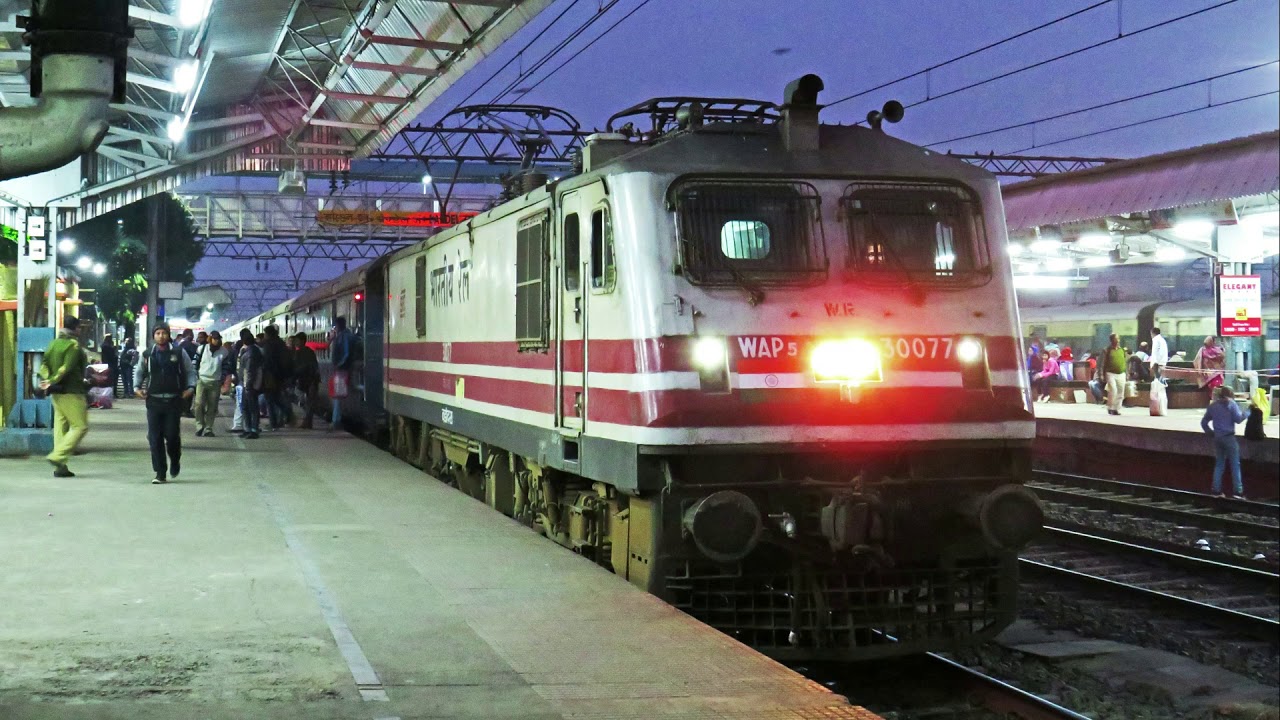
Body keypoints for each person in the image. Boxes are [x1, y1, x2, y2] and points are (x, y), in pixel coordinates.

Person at [135, 324, 196, 484]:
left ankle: (175, 460)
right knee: (154, 438)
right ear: (153, 336)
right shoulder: (148, 354)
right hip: (153, 401)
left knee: (172, 435)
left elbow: (190, 371)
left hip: (173, 401)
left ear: (169, 335)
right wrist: (137, 387)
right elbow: (140, 372)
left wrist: (190, 388)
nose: (161, 336)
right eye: (158, 333)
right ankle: (160, 473)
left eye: (164, 333)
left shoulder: (178, 352)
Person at [39, 316, 89, 477]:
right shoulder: (72, 345)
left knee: (61, 428)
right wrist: (52, 381)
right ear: (75, 329)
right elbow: (66, 368)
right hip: (72, 391)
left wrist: (47, 381)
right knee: (80, 426)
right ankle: (57, 456)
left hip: (57, 393)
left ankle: (61, 468)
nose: (80, 330)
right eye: (79, 327)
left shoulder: (53, 343)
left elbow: (44, 365)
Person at [1202, 386, 1247, 498]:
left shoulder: (1213, 406)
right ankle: (1238, 491)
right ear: (1230, 394)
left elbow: (1204, 422)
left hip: (1217, 438)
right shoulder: (1231, 404)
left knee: (1219, 464)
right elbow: (1238, 419)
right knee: (1235, 464)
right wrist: (1248, 413)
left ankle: (1216, 490)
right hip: (1229, 438)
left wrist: (1210, 432)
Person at [192, 330, 231, 437]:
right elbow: (195, 363)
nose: (217, 340)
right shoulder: (202, 349)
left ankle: (208, 428)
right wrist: (196, 376)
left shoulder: (224, 352)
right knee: (199, 404)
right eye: (215, 338)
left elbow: (226, 367)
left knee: (212, 407)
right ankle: (199, 426)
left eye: (218, 338)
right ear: (210, 339)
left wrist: (222, 379)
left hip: (215, 382)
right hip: (202, 380)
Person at [260, 325, 293, 430]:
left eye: (265, 334)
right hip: (280, 376)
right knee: (276, 398)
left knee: (270, 399)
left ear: (268, 334)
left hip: (270, 376)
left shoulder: (268, 345)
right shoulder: (281, 343)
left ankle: (274, 423)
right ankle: (286, 414)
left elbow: (267, 361)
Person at [237, 329, 264, 439]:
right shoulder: (252, 350)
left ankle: (252, 430)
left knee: (250, 408)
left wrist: (248, 385)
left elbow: (249, 370)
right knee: (247, 407)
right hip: (248, 383)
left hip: (249, 384)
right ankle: (249, 429)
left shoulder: (250, 353)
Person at [329, 317, 355, 430]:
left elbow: (346, 353)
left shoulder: (344, 337)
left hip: (342, 370)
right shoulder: (344, 335)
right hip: (342, 369)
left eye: (335, 326)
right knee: (337, 395)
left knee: (337, 396)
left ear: (339, 326)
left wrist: (339, 365)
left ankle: (336, 421)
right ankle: (336, 419)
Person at [291, 332, 320, 429]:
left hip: (308, 381)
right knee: (308, 402)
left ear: (302, 341)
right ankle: (308, 422)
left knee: (306, 402)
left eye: (297, 340)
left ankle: (307, 422)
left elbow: (300, 368)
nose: (295, 342)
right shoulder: (309, 352)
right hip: (309, 381)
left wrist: (294, 376)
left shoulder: (301, 353)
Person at [1194, 335, 1226, 400]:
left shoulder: (1202, 350)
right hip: (1215, 374)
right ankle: (1215, 401)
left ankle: (1214, 401)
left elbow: (1196, 361)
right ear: (1213, 342)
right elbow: (1222, 359)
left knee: (1213, 388)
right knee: (1216, 388)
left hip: (1208, 374)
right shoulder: (1218, 350)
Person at [1102, 333, 1127, 416]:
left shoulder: (1122, 350)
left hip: (1121, 373)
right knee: (1113, 390)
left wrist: (1126, 372)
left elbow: (1124, 361)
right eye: (1116, 339)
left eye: (1118, 339)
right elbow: (1103, 363)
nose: (1118, 340)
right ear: (1112, 340)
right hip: (1110, 373)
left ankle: (1116, 409)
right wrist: (1102, 374)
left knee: (1121, 392)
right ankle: (1110, 407)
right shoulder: (1107, 350)